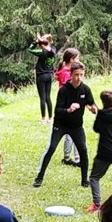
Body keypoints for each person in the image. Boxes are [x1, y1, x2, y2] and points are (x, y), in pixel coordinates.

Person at [34, 58, 93, 189]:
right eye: (76, 75)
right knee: (51, 148)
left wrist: (93, 108)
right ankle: (39, 177)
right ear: (71, 74)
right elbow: (58, 111)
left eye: (81, 75)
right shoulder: (64, 90)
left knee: (83, 150)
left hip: (76, 126)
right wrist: (69, 110)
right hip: (60, 125)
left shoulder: (85, 89)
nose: (79, 78)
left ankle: (85, 180)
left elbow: (91, 103)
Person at [54, 49, 85, 165]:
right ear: (71, 60)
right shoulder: (66, 74)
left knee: (72, 134)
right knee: (73, 134)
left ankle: (72, 158)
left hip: (72, 107)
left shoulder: (66, 71)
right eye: (77, 58)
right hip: (68, 107)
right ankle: (73, 159)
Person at [30, 34, 57, 122]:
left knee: (42, 97)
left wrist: (35, 42)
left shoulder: (41, 52)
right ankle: (50, 118)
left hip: (41, 76)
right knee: (48, 97)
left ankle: (43, 118)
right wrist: (44, 44)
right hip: (49, 75)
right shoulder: (53, 49)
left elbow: (30, 49)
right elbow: (51, 52)